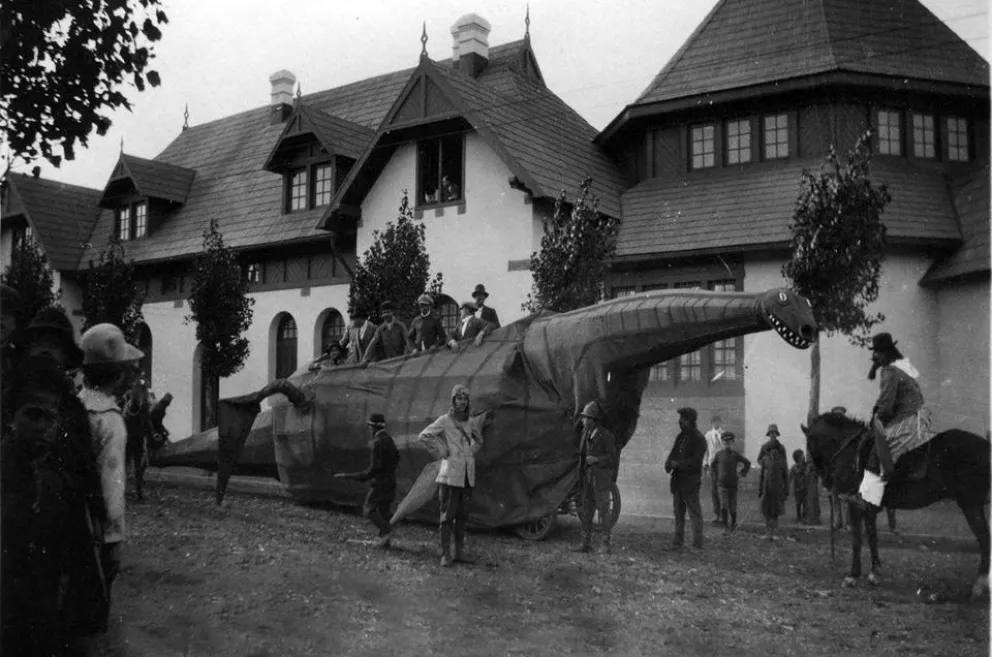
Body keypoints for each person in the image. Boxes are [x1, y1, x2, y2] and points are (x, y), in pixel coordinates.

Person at [1, 357, 106, 656]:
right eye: (33, 414)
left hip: (46, 623)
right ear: (12, 416)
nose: (42, 426)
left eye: (50, 417)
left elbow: (80, 564)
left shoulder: (60, 480)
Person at [78, 323, 143, 635]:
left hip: (68, 521)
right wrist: (114, 539)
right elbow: (112, 484)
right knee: (93, 613)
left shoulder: (74, 406)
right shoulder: (110, 421)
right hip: (97, 530)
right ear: (117, 376)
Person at [847, 333, 936, 511]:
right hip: (915, 416)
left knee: (876, 447)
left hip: (908, 420)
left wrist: (875, 417)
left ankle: (869, 498)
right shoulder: (902, 367)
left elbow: (886, 407)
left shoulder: (889, 371)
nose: (874, 357)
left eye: (877, 353)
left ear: (885, 353)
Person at [418, 385, 487, 567]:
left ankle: (458, 552)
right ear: (453, 401)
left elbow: (479, 440)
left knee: (463, 515)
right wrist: (443, 450)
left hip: (466, 476)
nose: (462, 402)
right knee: (447, 516)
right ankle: (445, 554)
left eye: (465, 399)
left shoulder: (470, 422)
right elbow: (424, 436)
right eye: (459, 398)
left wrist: (470, 452)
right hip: (450, 475)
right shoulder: (445, 420)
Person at [334, 413, 401, 548]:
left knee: (368, 509)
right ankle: (384, 540)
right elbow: (397, 458)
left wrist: (348, 476)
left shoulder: (377, 443)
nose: (369, 429)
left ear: (374, 427)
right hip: (390, 482)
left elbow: (372, 470)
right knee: (383, 511)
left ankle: (387, 532)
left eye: (370, 427)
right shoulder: (389, 440)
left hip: (380, 485)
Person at [570, 401, 618, 555]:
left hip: (600, 480)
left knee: (603, 511)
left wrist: (596, 459)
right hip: (587, 479)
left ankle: (606, 544)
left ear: (593, 420)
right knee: (586, 511)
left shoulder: (606, 436)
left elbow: (612, 459)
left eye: (586, 418)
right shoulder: (585, 433)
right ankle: (585, 543)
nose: (583, 421)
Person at [664, 407, 707, 550]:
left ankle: (698, 543)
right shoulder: (680, 437)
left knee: (694, 513)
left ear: (689, 421)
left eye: (682, 419)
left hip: (690, 482)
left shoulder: (699, 439)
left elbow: (695, 462)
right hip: (677, 482)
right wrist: (668, 463)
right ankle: (678, 542)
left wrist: (678, 464)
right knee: (678, 513)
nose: (680, 421)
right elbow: (673, 453)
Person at [710, 431, 750, 534]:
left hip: (733, 485)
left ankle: (733, 524)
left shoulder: (735, 454)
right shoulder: (719, 455)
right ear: (722, 442)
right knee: (724, 506)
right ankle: (725, 527)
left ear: (733, 442)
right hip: (722, 485)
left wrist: (742, 473)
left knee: (733, 507)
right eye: (725, 441)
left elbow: (747, 463)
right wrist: (716, 477)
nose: (727, 443)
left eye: (729, 441)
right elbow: (713, 467)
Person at [759, 447, 789, 541]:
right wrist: (760, 489)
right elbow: (762, 475)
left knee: (775, 512)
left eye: (775, 449)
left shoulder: (782, 461)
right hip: (766, 489)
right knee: (766, 511)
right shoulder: (765, 459)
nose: (774, 451)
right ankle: (768, 532)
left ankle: (774, 533)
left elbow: (786, 477)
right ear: (769, 450)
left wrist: (786, 491)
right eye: (772, 449)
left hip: (777, 490)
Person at [703, 414, 725, 525]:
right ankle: (717, 514)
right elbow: (706, 451)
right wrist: (705, 464)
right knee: (713, 491)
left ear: (720, 423)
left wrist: (720, 436)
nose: (716, 424)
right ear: (711, 423)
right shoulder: (707, 435)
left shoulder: (724, 434)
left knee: (721, 490)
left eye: (718, 422)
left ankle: (723, 515)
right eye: (714, 422)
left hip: (721, 465)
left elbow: (726, 448)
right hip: (712, 466)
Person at [790, 450, 808, 523]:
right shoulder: (794, 467)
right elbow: (790, 477)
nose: (803, 457)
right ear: (798, 458)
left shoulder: (806, 465)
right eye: (802, 455)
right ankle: (798, 517)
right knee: (798, 503)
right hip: (798, 487)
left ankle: (804, 516)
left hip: (806, 487)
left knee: (805, 503)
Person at [804, 455, 822, 525]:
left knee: (811, 501)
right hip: (813, 485)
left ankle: (811, 519)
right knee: (814, 501)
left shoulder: (810, 465)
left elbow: (807, 474)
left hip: (811, 485)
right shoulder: (813, 465)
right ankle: (815, 518)